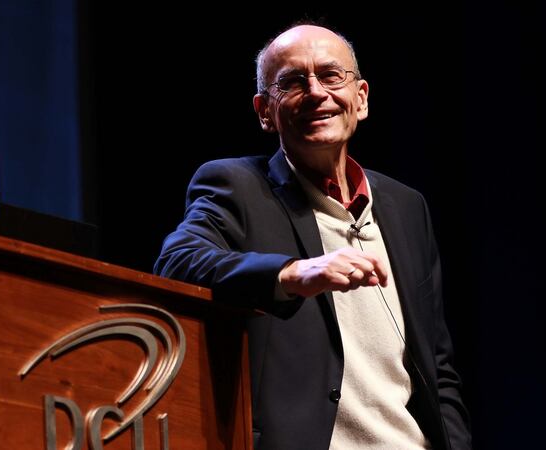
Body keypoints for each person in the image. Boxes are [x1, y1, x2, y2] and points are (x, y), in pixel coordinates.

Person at [154, 24, 472, 449]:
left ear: (360, 98)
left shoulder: (406, 206)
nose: (316, 92)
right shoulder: (236, 186)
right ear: (265, 111)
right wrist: (292, 273)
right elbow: (177, 261)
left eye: (330, 75)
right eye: (292, 81)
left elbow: (437, 365)